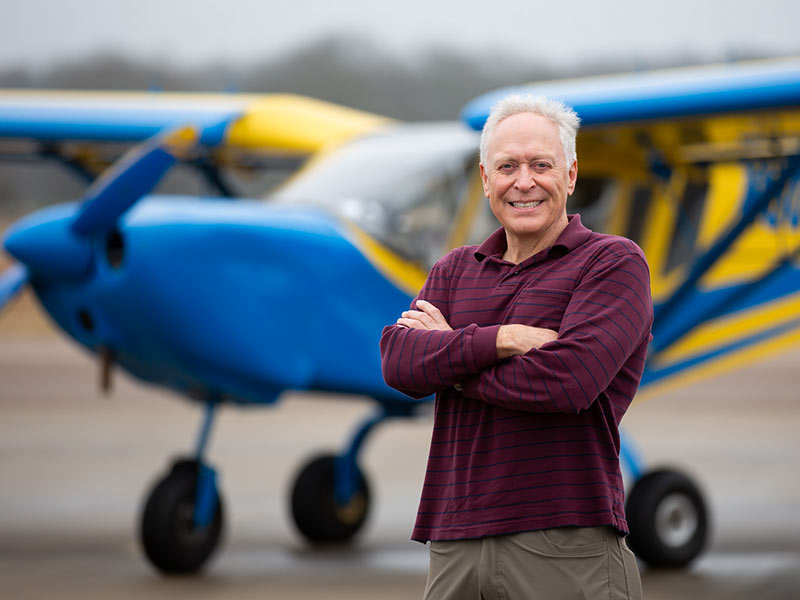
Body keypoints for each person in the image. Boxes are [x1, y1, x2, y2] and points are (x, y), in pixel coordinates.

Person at [379, 94, 652, 600]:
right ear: (486, 180)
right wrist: (502, 339)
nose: (523, 181)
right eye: (507, 166)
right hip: (454, 540)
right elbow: (399, 361)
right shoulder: (454, 269)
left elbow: (567, 382)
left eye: (540, 165)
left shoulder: (613, 263)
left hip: (564, 541)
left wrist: (451, 358)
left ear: (570, 175)